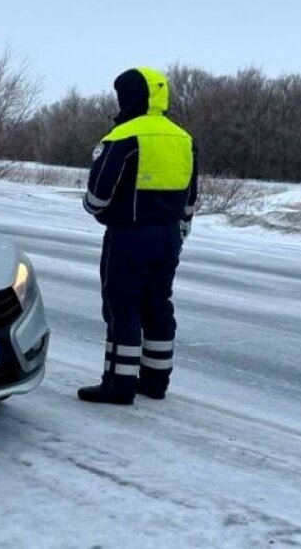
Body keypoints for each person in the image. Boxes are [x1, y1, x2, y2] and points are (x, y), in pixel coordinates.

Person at [78, 66, 197, 405]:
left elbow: (98, 195)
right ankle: (156, 381)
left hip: (129, 236)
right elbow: (191, 196)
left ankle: (119, 384)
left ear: (130, 96)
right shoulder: (183, 138)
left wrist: (94, 208)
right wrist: (180, 227)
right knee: (158, 304)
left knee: (123, 306)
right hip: (170, 236)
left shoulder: (123, 136)